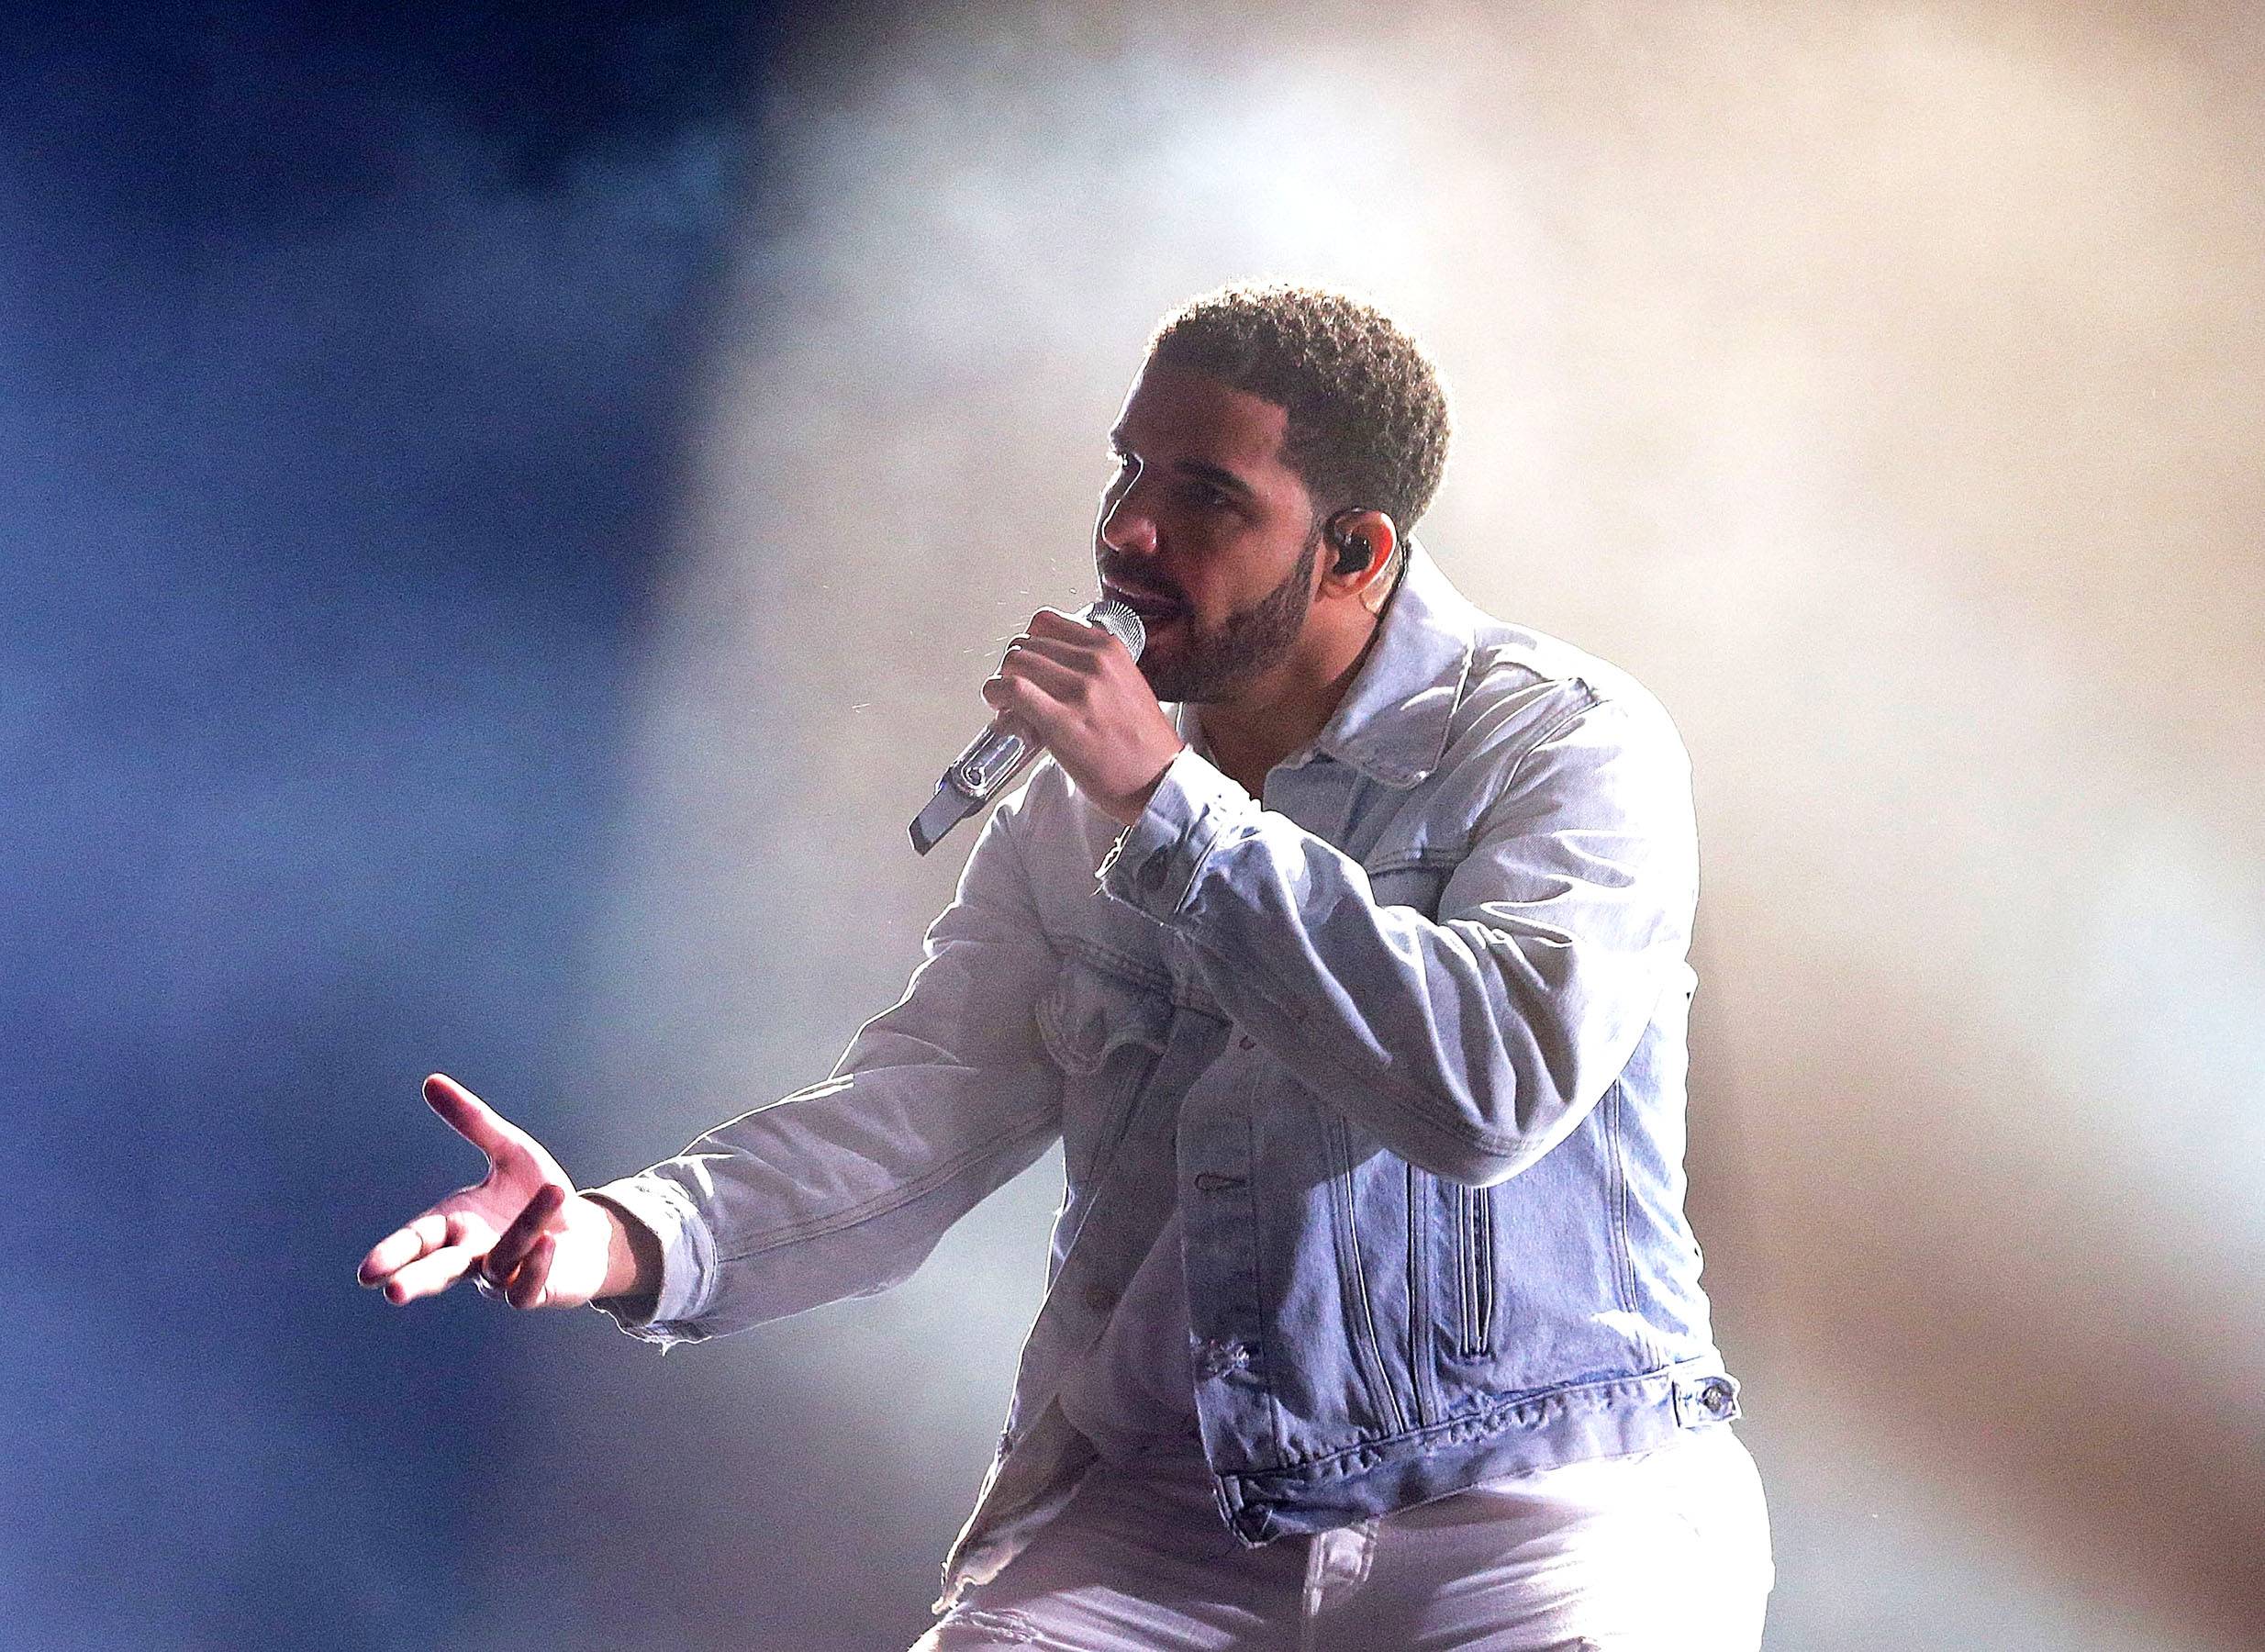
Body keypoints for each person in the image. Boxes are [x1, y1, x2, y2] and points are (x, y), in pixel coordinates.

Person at [358, 283, 1773, 1648]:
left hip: (1536, 1498)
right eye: (1126, 470)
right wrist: (617, 1237)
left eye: (1207, 496)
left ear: (1352, 552)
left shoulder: (1563, 745)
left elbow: (1488, 1091)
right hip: (1176, 1511)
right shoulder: (1073, 808)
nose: (1128, 530)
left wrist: (1171, 810)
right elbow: (920, 1113)